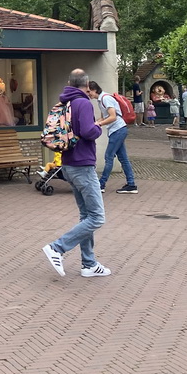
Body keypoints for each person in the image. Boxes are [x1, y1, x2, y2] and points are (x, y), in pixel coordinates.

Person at [42, 69, 108, 278]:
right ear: (87, 85)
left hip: (68, 163)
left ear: (70, 82)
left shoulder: (65, 102)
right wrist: (98, 127)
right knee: (97, 217)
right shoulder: (83, 103)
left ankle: (89, 264)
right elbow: (88, 131)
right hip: (82, 164)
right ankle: (57, 248)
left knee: (86, 215)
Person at [88, 80, 137, 195]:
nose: (88, 94)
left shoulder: (105, 99)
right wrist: (93, 124)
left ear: (95, 90)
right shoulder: (101, 100)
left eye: (89, 91)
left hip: (118, 130)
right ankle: (131, 184)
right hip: (117, 130)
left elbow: (113, 117)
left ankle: (101, 184)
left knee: (108, 156)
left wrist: (99, 124)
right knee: (123, 158)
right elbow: (103, 117)